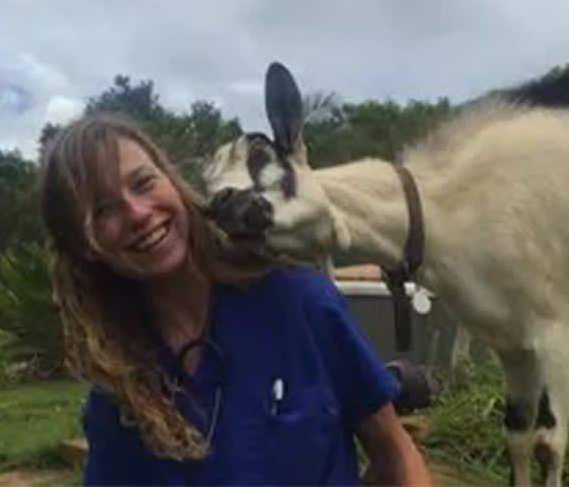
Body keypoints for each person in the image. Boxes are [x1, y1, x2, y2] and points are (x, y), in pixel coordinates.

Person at [38, 113, 433, 486]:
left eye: (143, 183)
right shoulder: (119, 392)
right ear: (84, 246)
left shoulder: (302, 304)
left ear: (171, 181)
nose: (138, 213)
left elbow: (395, 453)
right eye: (105, 209)